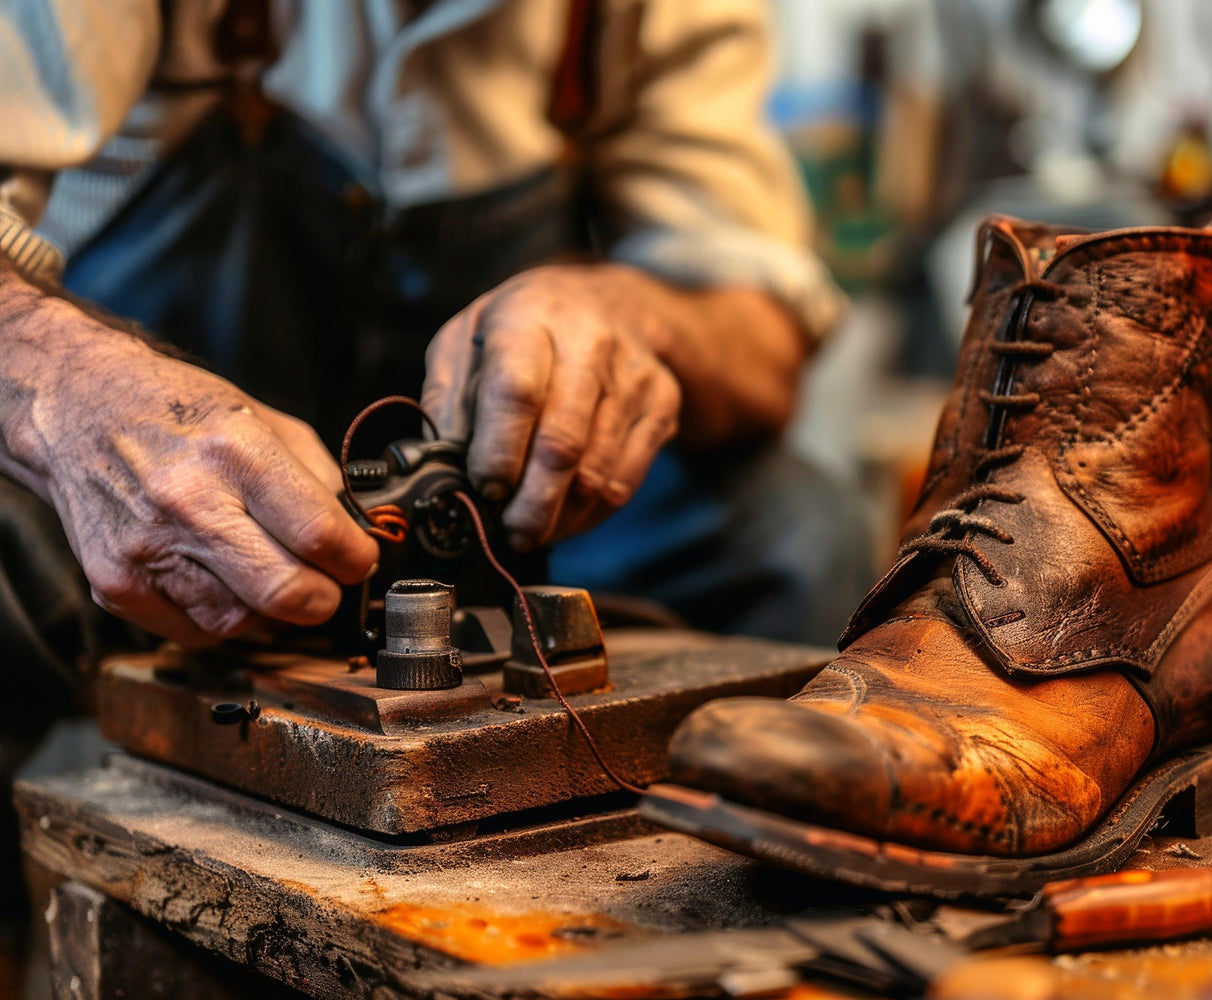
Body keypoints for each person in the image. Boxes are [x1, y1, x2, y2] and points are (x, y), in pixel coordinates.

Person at [0, 0, 872, 703]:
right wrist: (70, 390)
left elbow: (763, 333)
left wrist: (640, 310)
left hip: (502, 506)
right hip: (148, 483)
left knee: (793, 530)